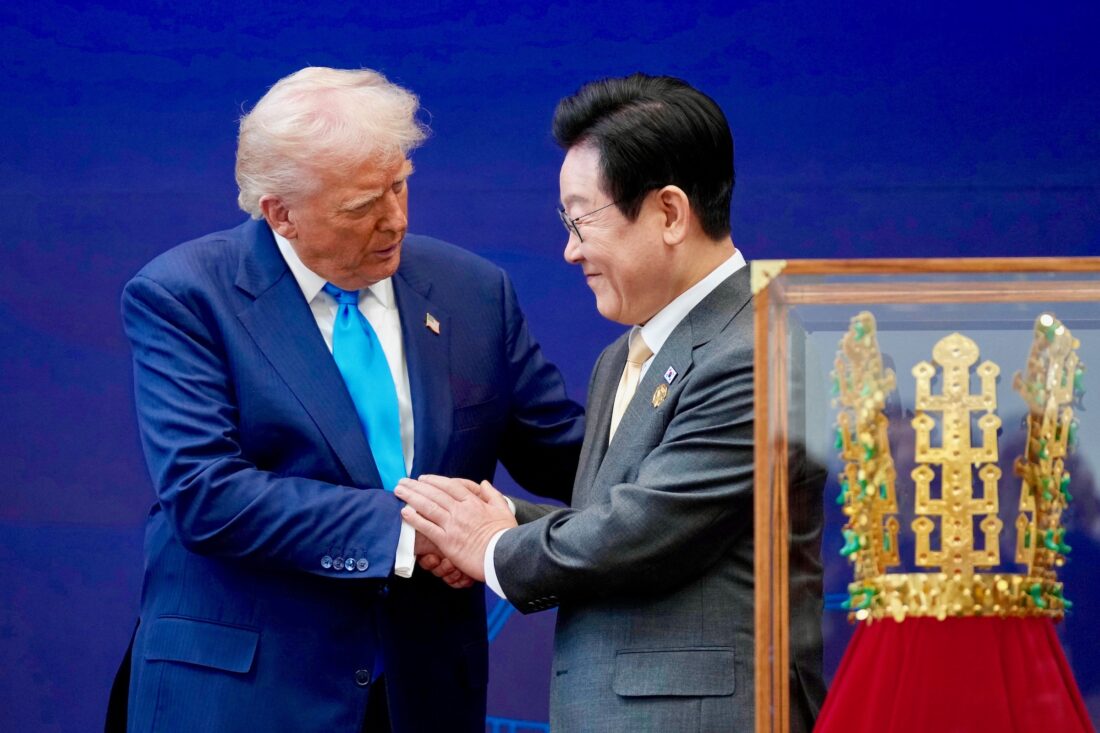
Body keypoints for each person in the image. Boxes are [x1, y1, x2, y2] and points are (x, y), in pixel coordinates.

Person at [118, 66, 584, 733]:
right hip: (245, 696)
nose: (395, 219)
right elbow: (204, 492)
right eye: (362, 205)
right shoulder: (186, 295)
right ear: (280, 213)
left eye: (400, 185)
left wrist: (701, 458)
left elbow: (566, 454)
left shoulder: (472, 290)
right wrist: (416, 530)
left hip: (422, 695)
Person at [400, 73, 824, 732]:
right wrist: (503, 516)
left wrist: (493, 546)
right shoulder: (622, 356)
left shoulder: (760, 349)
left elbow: (648, 531)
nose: (570, 250)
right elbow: (625, 515)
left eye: (582, 220)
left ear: (670, 214)